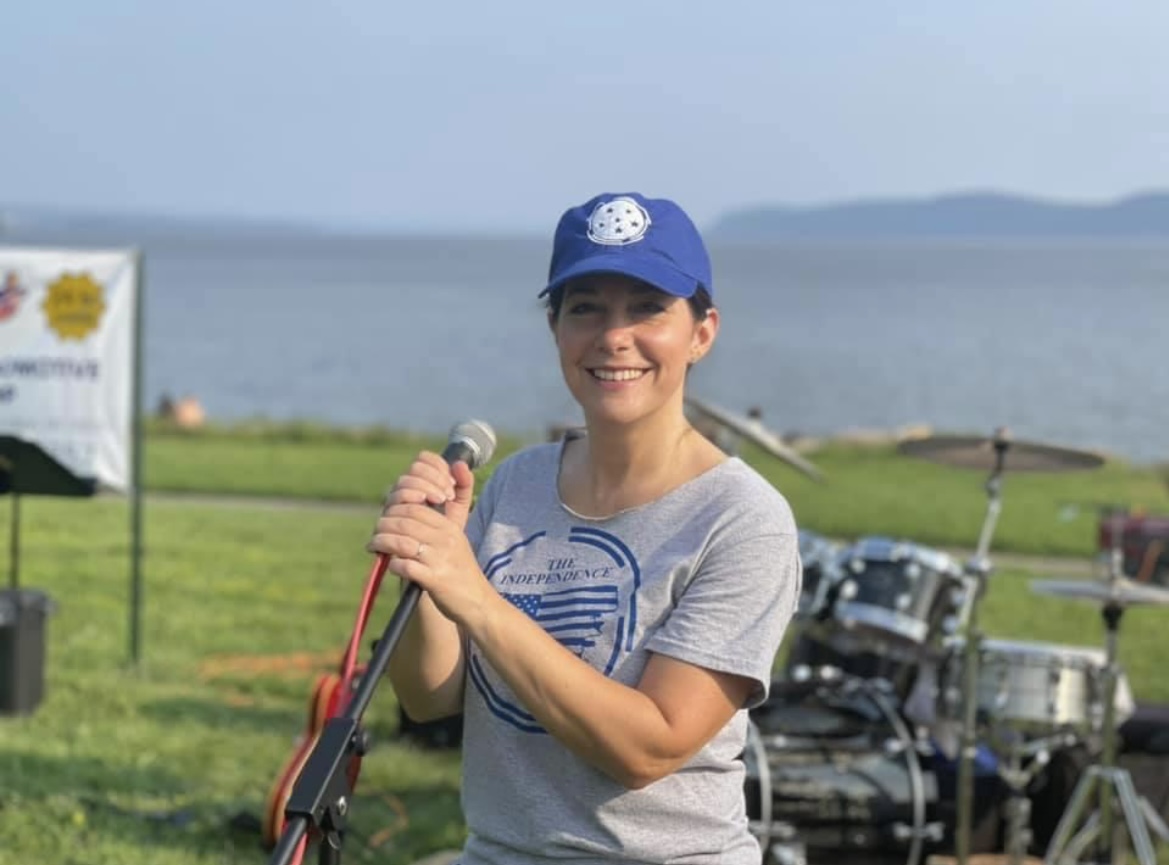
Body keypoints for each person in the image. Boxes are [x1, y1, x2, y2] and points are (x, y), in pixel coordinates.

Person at [369, 192, 802, 865]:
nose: (612, 335)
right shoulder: (516, 484)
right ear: (555, 328)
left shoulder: (741, 518)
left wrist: (475, 596)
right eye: (585, 307)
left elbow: (648, 746)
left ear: (702, 331)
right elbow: (428, 698)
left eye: (647, 307)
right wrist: (427, 567)